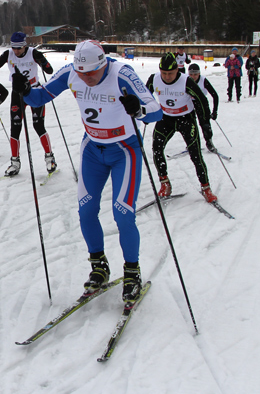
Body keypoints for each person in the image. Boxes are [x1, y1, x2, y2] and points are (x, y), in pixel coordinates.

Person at [20, 40, 162, 303]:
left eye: (91, 73)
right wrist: (25, 90)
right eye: (81, 73)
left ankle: (132, 272)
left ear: (103, 63)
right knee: (86, 210)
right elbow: (39, 97)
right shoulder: (71, 73)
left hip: (124, 150)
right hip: (93, 149)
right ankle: (99, 266)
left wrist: (139, 109)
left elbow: (156, 111)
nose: (86, 78)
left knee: (123, 214)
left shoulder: (122, 73)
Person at [147, 53, 217, 204]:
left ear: (177, 70)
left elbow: (201, 100)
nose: (167, 76)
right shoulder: (154, 79)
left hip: (186, 119)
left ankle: (206, 187)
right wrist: (144, 112)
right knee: (157, 148)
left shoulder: (186, 81)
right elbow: (145, 96)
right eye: (164, 73)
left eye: (170, 73)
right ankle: (165, 183)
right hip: (166, 118)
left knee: (195, 154)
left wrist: (205, 123)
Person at [0, 32, 56, 176]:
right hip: (18, 94)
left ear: (25, 45)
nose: (16, 51)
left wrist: (43, 61)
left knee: (38, 125)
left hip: (34, 91)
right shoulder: (8, 54)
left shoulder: (33, 53)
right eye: (14, 47)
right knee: (15, 128)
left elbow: (49, 70)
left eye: (19, 48)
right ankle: (15, 163)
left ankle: (50, 158)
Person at [187, 63, 220, 151]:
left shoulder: (203, 80)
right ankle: (192, 142)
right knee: (189, 124)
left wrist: (215, 111)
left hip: (201, 103)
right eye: (191, 74)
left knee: (204, 123)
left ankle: (209, 141)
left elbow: (215, 95)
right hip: (189, 103)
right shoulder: (186, 80)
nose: (193, 77)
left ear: (199, 74)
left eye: (195, 74)